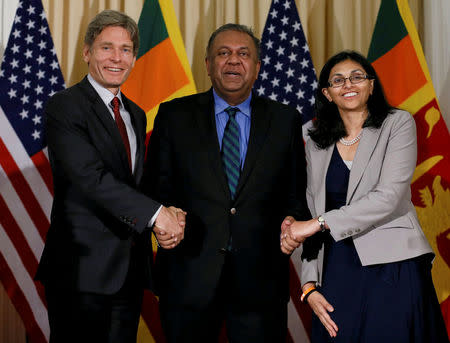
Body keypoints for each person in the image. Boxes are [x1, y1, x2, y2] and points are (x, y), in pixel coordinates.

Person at [142, 23, 310, 342]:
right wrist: (167, 215)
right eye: (223, 53)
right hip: (188, 279)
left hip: (260, 283)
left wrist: (292, 217)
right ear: (208, 64)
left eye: (243, 54)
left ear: (257, 67)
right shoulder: (174, 115)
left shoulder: (285, 119)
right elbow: (155, 188)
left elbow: (295, 193)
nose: (234, 61)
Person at [36, 10, 185, 343]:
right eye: (107, 48)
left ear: (134, 57)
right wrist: (157, 215)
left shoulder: (135, 112)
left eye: (126, 49)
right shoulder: (64, 106)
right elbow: (89, 178)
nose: (117, 58)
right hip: (81, 273)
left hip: (128, 271)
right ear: (87, 52)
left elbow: (135, 184)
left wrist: (169, 210)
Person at [280, 50, 449, 342]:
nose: (348, 84)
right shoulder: (316, 144)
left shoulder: (398, 124)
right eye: (338, 80)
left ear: (371, 85)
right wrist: (308, 285)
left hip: (393, 263)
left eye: (357, 77)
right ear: (327, 93)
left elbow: (388, 198)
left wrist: (316, 223)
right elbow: (311, 214)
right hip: (335, 269)